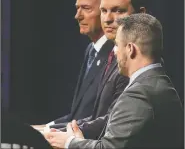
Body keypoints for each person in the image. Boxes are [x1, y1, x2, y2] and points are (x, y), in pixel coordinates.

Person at [45, 13, 184, 149]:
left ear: (130, 49)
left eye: (117, 45)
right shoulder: (161, 83)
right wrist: (79, 140)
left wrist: (69, 143)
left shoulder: (139, 93)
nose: (115, 52)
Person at [33, 0, 115, 131]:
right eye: (77, 8)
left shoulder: (116, 54)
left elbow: (100, 119)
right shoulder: (91, 49)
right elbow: (77, 115)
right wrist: (45, 127)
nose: (77, 16)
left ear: (105, 12)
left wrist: (47, 132)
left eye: (86, 8)